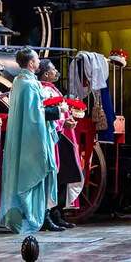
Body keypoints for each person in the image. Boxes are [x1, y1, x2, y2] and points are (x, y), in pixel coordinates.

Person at [0, 48, 60, 234]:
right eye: (37, 59)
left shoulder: (19, 81)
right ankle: (31, 216)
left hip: (22, 136)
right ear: (31, 63)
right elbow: (36, 115)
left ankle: (27, 214)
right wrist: (59, 111)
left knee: (21, 174)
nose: (39, 61)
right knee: (32, 175)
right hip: (31, 138)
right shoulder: (29, 84)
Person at [38, 59, 81, 229]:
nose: (56, 72)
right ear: (46, 73)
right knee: (55, 176)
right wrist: (64, 124)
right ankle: (47, 215)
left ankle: (58, 213)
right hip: (54, 136)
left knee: (65, 174)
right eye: (54, 70)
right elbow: (45, 114)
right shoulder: (41, 89)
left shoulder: (53, 89)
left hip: (63, 135)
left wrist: (68, 119)